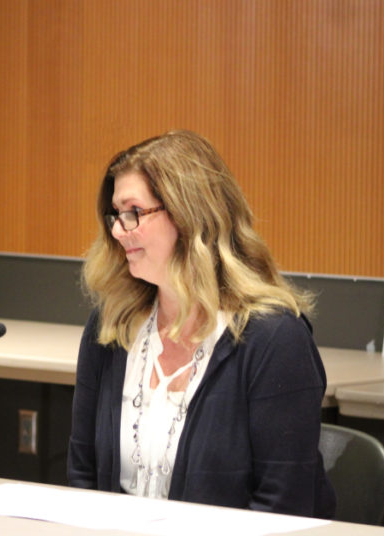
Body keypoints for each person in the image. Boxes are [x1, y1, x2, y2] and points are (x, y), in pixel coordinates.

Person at [68, 130, 336, 519]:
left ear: (189, 214)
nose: (116, 230)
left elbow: (282, 510)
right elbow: (82, 476)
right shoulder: (112, 327)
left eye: (133, 213)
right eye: (115, 215)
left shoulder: (274, 339)